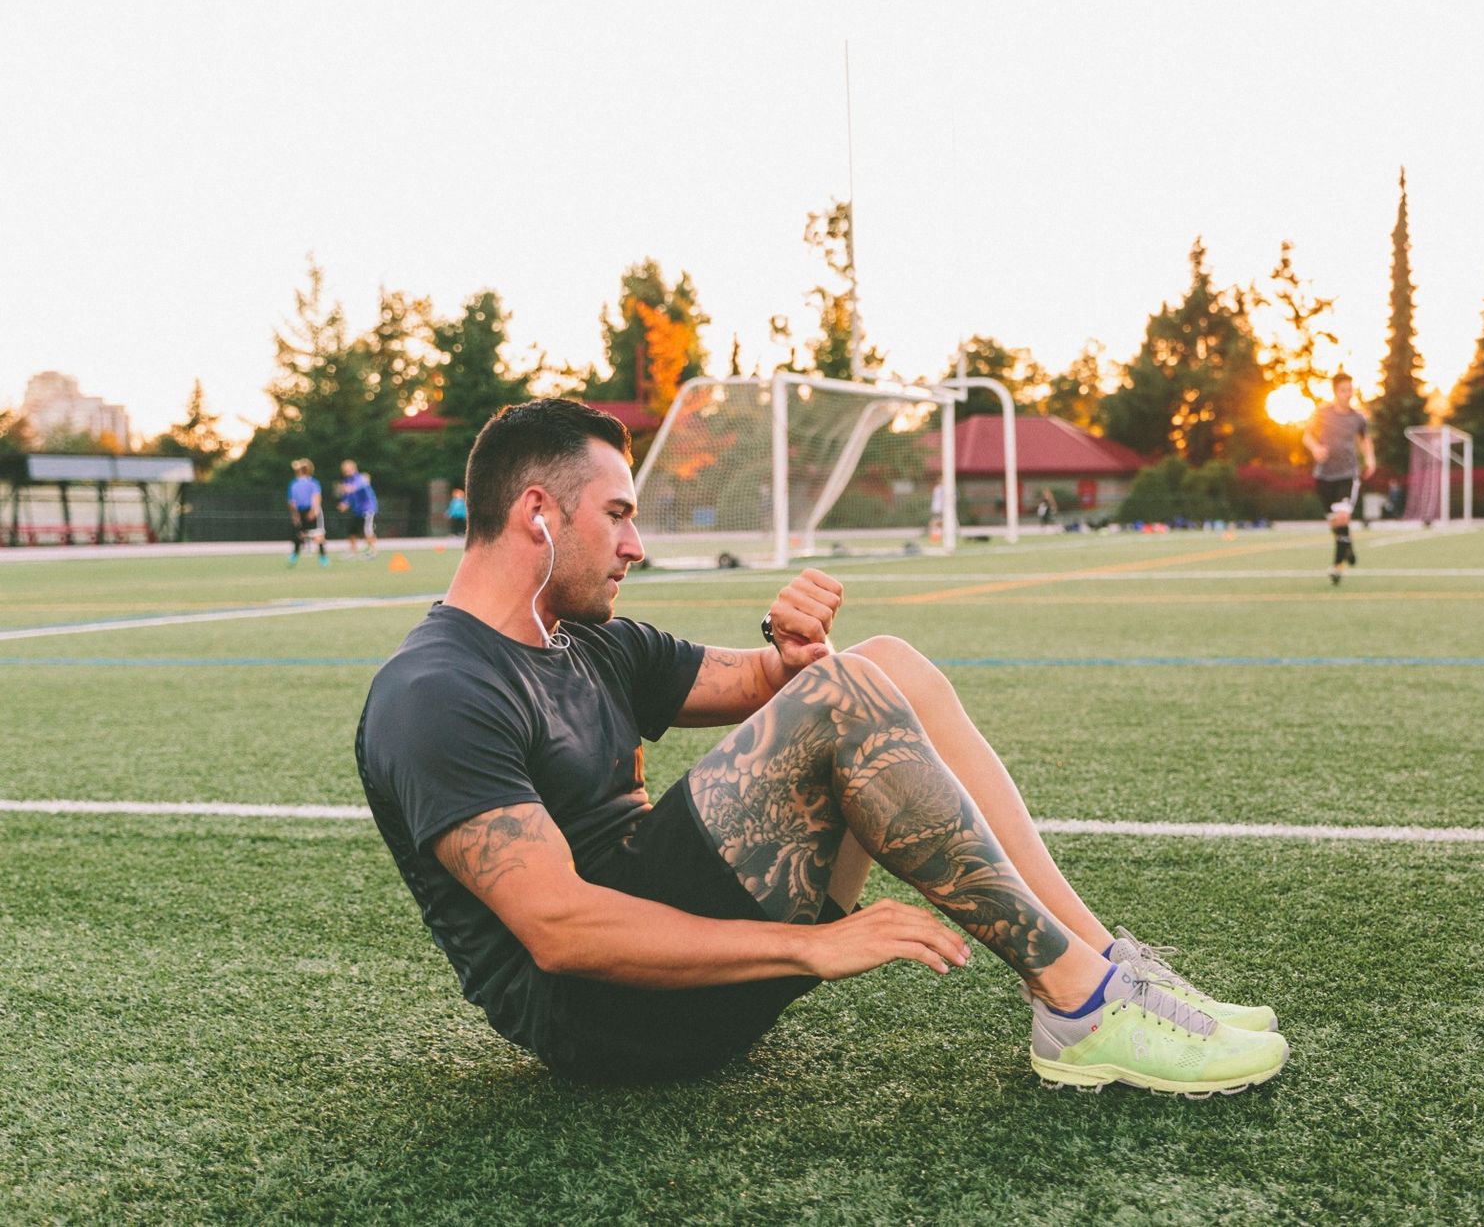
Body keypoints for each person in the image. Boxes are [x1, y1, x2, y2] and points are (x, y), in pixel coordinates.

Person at [355, 399, 1286, 1094]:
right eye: (619, 514)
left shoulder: (590, 638)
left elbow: (777, 681)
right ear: (538, 514)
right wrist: (814, 948)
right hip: (612, 1022)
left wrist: (794, 649)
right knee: (844, 692)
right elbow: (559, 931)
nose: (637, 542)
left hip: (687, 959)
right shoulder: (436, 692)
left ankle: (1101, 969)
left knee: (886, 665)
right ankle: (1083, 1007)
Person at [1302, 372, 1376, 586]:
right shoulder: (1322, 413)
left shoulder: (1358, 417)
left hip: (1347, 475)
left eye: (1350, 390)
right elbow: (1306, 435)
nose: (1348, 394)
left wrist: (1370, 460)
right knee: (1335, 524)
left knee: (1343, 517)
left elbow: (1365, 440)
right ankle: (1348, 545)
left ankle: (1336, 567)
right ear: (1335, 391)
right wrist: (1315, 448)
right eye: (1344, 390)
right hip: (1324, 476)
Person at [287, 459, 328, 568]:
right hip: (301, 511)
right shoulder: (294, 484)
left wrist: (314, 511)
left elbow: (316, 497)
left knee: (318, 535)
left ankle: (323, 558)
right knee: (300, 534)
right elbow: (292, 501)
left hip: (312, 510)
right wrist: (295, 515)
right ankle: (294, 555)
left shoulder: (313, 483)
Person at [336, 458, 379, 559]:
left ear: (354, 468)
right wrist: (344, 503)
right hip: (358, 510)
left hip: (368, 509)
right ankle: (353, 551)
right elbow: (349, 496)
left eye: (348, 469)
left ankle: (373, 551)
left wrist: (348, 488)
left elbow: (358, 486)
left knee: (367, 530)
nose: (346, 472)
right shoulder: (348, 480)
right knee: (352, 531)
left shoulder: (360, 478)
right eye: (344, 470)